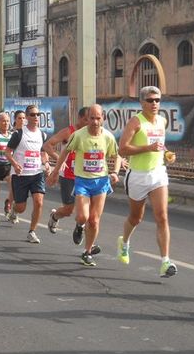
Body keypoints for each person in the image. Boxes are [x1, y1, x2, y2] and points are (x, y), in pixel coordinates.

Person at [47, 104, 121, 267]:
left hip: (101, 182)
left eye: (98, 118)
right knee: (82, 217)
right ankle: (79, 226)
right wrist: (55, 172)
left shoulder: (108, 137)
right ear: (87, 119)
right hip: (82, 181)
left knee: (94, 220)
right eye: (91, 118)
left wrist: (115, 172)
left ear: (103, 119)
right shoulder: (78, 135)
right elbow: (65, 152)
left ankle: (87, 252)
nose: (94, 122)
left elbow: (117, 155)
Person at [117, 86, 177, 278]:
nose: (154, 104)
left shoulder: (162, 120)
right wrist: (147, 147)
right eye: (150, 100)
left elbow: (159, 145)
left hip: (158, 173)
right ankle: (124, 242)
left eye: (157, 100)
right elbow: (122, 150)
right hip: (138, 176)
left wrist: (166, 153)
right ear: (142, 102)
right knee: (136, 218)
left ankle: (165, 262)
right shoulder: (136, 122)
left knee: (162, 216)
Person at [5, 105, 51, 244]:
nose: (36, 117)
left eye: (38, 114)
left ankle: (32, 231)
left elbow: (43, 152)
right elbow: (8, 152)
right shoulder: (19, 134)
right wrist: (14, 164)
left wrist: (47, 163)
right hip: (21, 176)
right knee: (21, 207)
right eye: (32, 114)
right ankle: (14, 209)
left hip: (37, 173)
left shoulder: (42, 135)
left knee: (39, 202)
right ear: (27, 117)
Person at [43, 107, 89, 234]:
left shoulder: (92, 133)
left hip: (85, 176)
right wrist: (60, 159)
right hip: (69, 176)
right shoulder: (68, 132)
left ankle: (81, 228)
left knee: (87, 209)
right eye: (86, 120)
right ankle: (55, 216)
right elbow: (47, 145)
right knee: (69, 209)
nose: (89, 123)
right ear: (79, 118)